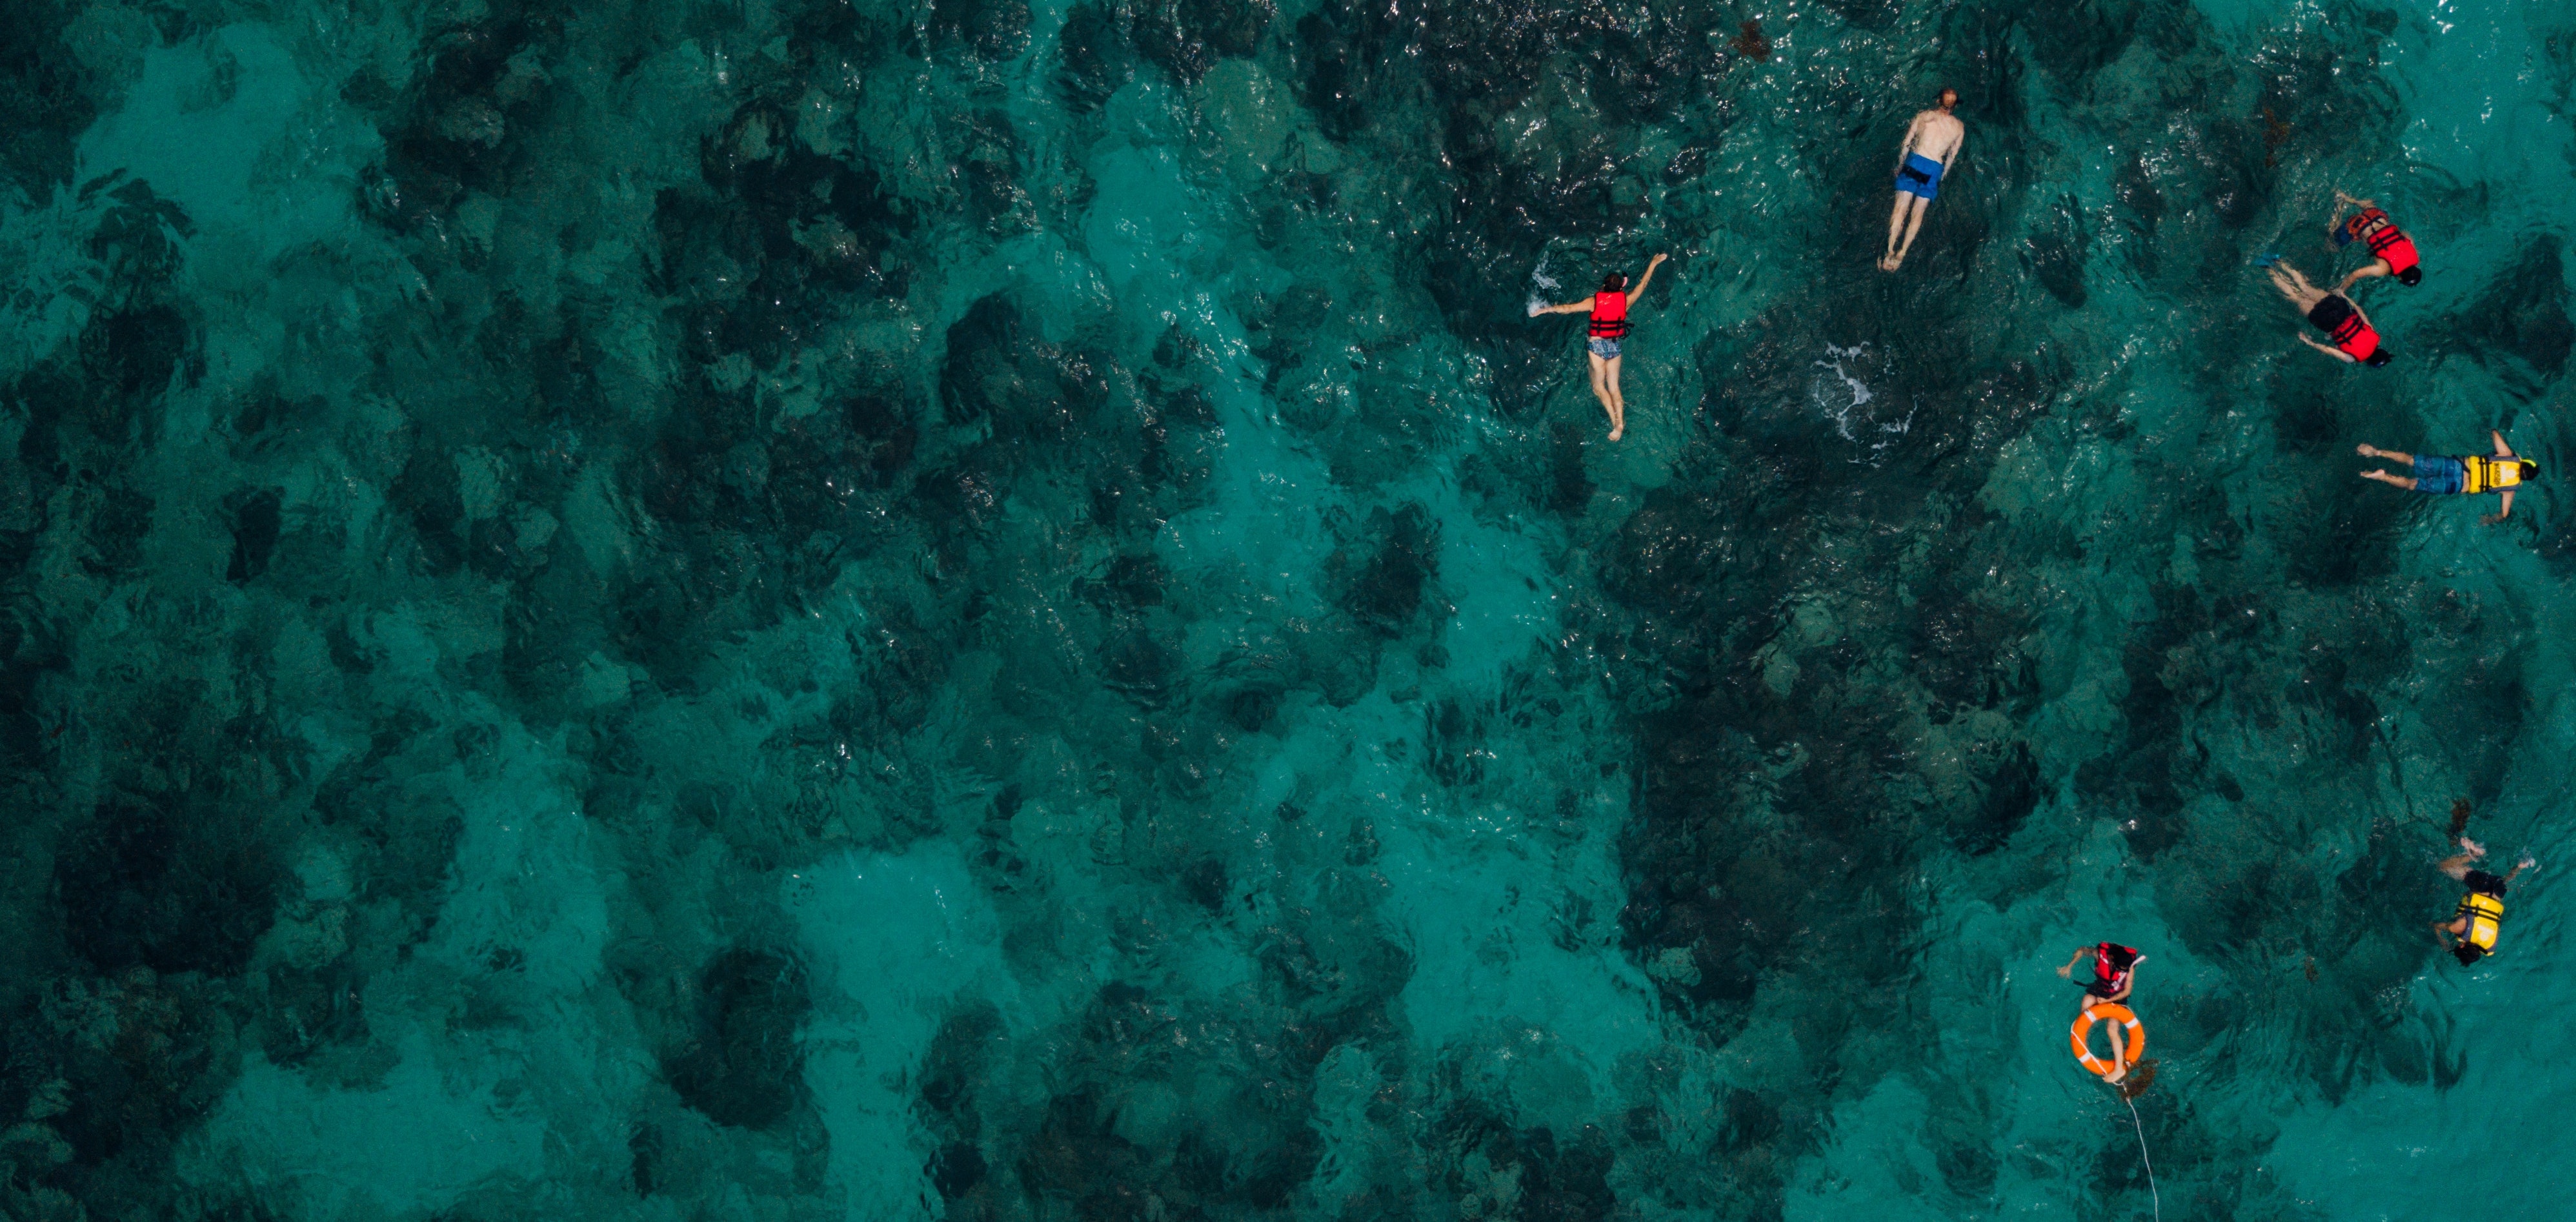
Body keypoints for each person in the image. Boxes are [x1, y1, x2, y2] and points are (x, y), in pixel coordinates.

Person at [1529, 254, 1669, 441]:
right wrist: (1653, 263)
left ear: (1604, 286)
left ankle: (1614, 420)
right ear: (1621, 287)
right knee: (1614, 387)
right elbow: (1642, 285)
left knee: (1598, 387)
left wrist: (1543, 310)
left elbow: (1568, 308)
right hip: (1614, 347)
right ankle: (1619, 424)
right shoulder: (1626, 301)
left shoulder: (1594, 302)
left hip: (1596, 347)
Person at [2356, 432, 2537, 523]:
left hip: (2456, 465)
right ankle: (2383, 477)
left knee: (2412, 461)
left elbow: (2495, 433)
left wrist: (2513, 452)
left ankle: (2377, 452)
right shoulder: (2511, 489)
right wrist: (2489, 520)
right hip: (2455, 485)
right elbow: (2504, 515)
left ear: (2523, 462)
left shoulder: (2509, 456)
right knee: (2413, 484)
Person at [1879, 87, 1965, 272]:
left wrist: (1900, 165)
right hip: (1934, 168)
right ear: (1955, 106)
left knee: (1901, 208)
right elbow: (1951, 157)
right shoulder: (1959, 127)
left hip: (1915, 162)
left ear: (1937, 101)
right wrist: (1942, 176)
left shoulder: (1924, 116)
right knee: (1918, 213)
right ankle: (1902, 254)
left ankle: (1889, 251)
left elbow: (1906, 143)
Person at [2266, 261, 2390, 366]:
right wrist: (2308, 342)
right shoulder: (2351, 358)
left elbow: (2360, 312)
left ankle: (2279, 262)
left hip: (2340, 308)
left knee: (2305, 287)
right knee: (2296, 297)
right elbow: (2328, 350)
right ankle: (2268, 268)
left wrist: (2345, 297)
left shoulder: (2375, 336)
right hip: (2326, 321)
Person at [2433, 837, 2533, 966]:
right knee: (2442, 866)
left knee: (2502, 882)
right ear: (2462, 947)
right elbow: (2436, 926)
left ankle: (2520, 867)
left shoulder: (2490, 944)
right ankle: (2474, 854)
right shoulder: (2457, 928)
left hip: (2499, 890)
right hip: (2482, 885)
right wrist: (2442, 940)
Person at [2329, 190, 2422, 292]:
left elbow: (2406, 234)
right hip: (2358, 226)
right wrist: (2341, 290)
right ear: (2400, 278)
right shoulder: (2384, 269)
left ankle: (2347, 198)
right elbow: (2356, 274)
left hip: (2377, 216)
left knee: (2369, 205)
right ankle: (2339, 207)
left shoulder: (2414, 253)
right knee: (2332, 242)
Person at [2057, 941, 2144, 1006]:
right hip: (2101, 989)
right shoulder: (2099, 955)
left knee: (2112, 1029)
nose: (2121, 971)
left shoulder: (2129, 967)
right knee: (2087, 1001)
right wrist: (2069, 966)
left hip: (2118, 997)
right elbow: (2082, 950)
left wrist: (2107, 1001)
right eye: (2119, 968)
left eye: (2124, 970)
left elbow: (2127, 992)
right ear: (2112, 959)